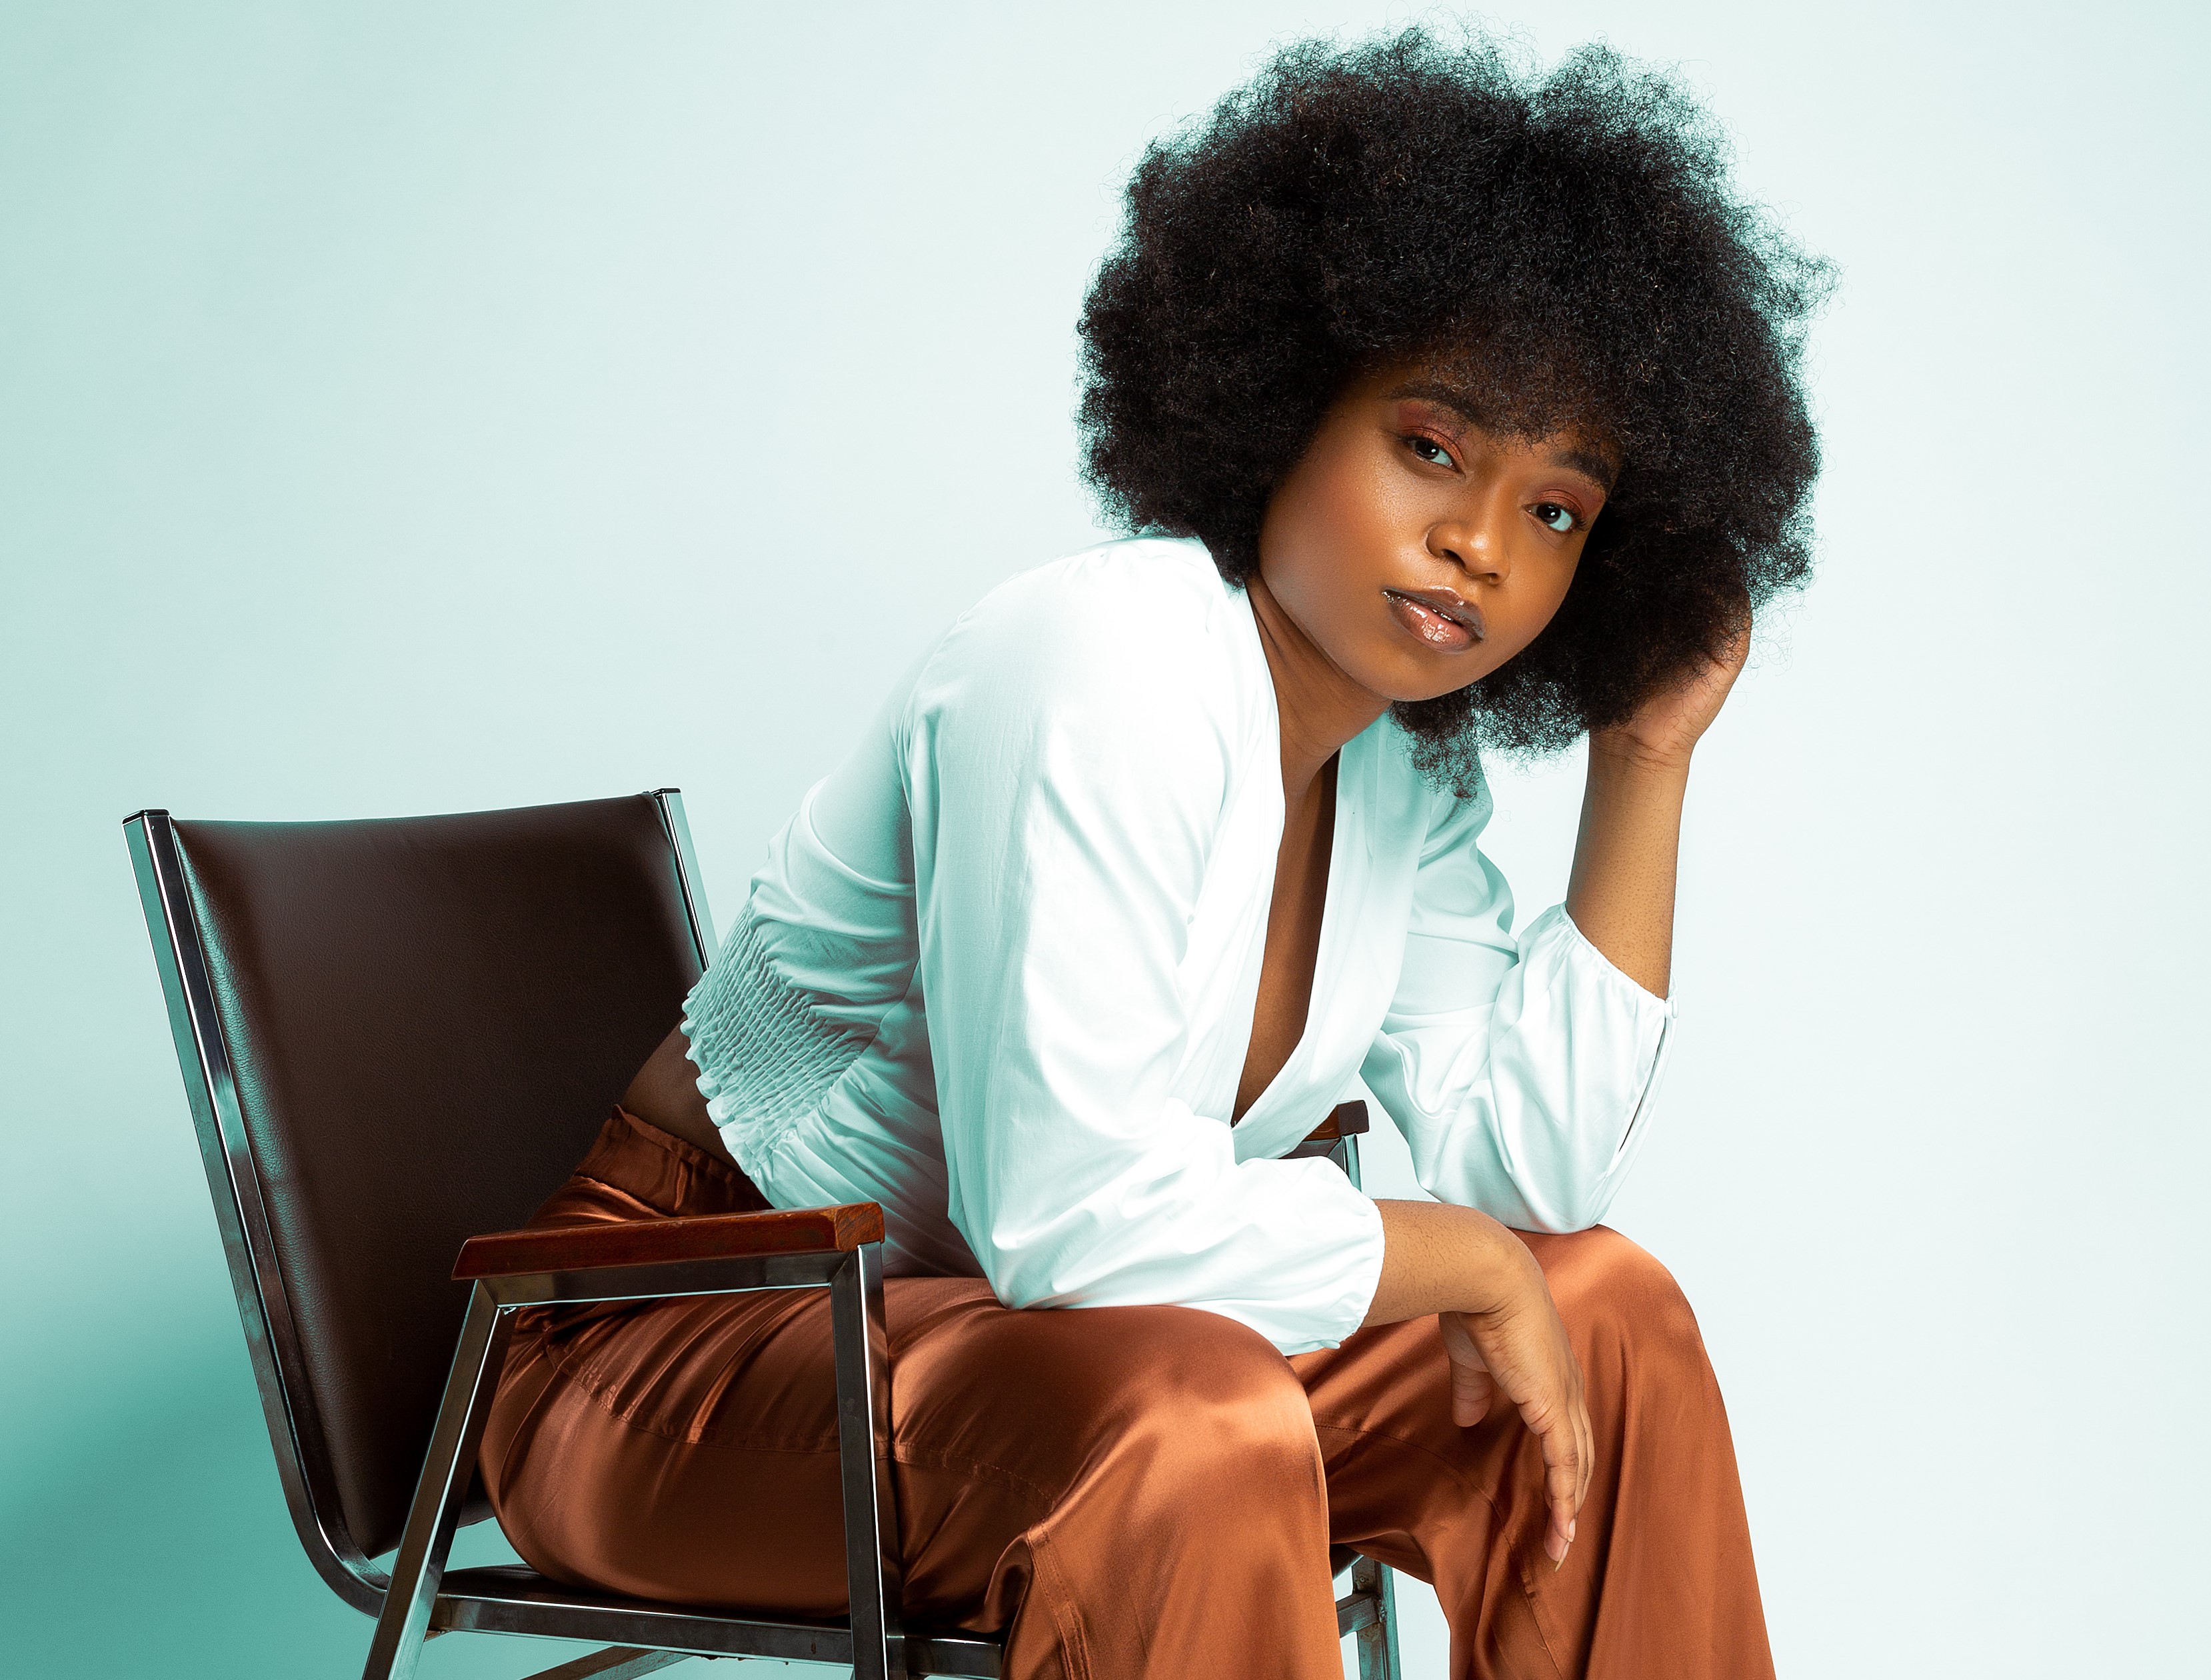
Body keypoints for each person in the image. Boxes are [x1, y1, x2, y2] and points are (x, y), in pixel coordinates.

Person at [481, 29, 1828, 1680]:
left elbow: (1529, 1186)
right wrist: (1456, 1263)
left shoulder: (1401, 775)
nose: (1478, 541)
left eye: (1555, 511)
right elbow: (1072, 1220)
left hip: (1024, 1353)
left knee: (1604, 1317)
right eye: (1430, 446)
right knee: (1200, 1416)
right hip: (674, 1355)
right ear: (1278, 405)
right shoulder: (1092, 663)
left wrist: (1641, 762)